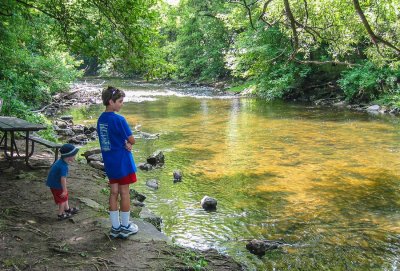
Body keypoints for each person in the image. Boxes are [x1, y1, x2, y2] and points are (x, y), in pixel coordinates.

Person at [97, 86, 139, 239]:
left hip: (110, 162)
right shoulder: (119, 119)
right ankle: (126, 226)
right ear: (111, 102)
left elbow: (108, 139)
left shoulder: (101, 119)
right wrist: (129, 143)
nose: (122, 104)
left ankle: (115, 227)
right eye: (120, 101)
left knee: (113, 193)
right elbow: (132, 140)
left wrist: (124, 142)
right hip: (122, 162)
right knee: (125, 193)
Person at [46, 143, 79, 220]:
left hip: (54, 183)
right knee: (62, 200)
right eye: (74, 155)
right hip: (56, 185)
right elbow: (63, 179)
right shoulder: (63, 166)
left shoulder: (61, 161)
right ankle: (60, 214)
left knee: (65, 197)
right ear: (69, 156)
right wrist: (64, 189)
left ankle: (67, 209)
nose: (75, 156)